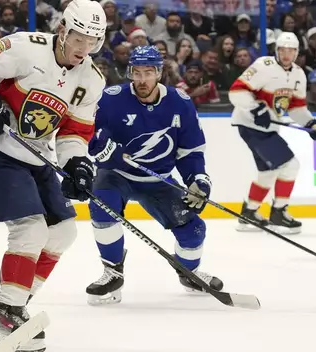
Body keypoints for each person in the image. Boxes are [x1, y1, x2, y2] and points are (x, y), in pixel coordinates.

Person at [0, 0, 106, 352]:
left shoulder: (91, 79)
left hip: (35, 156)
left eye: (93, 42)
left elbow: (73, 132)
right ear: (63, 30)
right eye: (79, 38)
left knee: (64, 232)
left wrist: (76, 164)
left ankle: (13, 303)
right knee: (31, 228)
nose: (84, 49)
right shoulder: (26, 47)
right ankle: (7, 313)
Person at [85, 46, 223, 305]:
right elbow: (88, 135)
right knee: (101, 205)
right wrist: (102, 150)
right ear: (129, 73)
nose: (142, 80)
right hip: (116, 174)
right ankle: (112, 272)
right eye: (136, 73)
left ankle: (189, 273)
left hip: (157, 177)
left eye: (148, 72)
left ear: (159, 73)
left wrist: (198, 179)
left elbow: (190, 150)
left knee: (193, 230)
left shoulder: (180, 103)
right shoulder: (110, 99)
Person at [229, 32, 316, 234]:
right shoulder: (263, 66)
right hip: (250, 125)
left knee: (268, 172)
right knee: (290, 165)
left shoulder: (299, 74)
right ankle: (278, 213)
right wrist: (257, 109)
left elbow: (296, 108)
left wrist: (311, 123)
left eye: (291, 50)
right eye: (283, 50)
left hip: (267, 128)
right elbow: (236, 91)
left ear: (297, 53)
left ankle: (249, 213)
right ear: (277, 50)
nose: (286, 54)